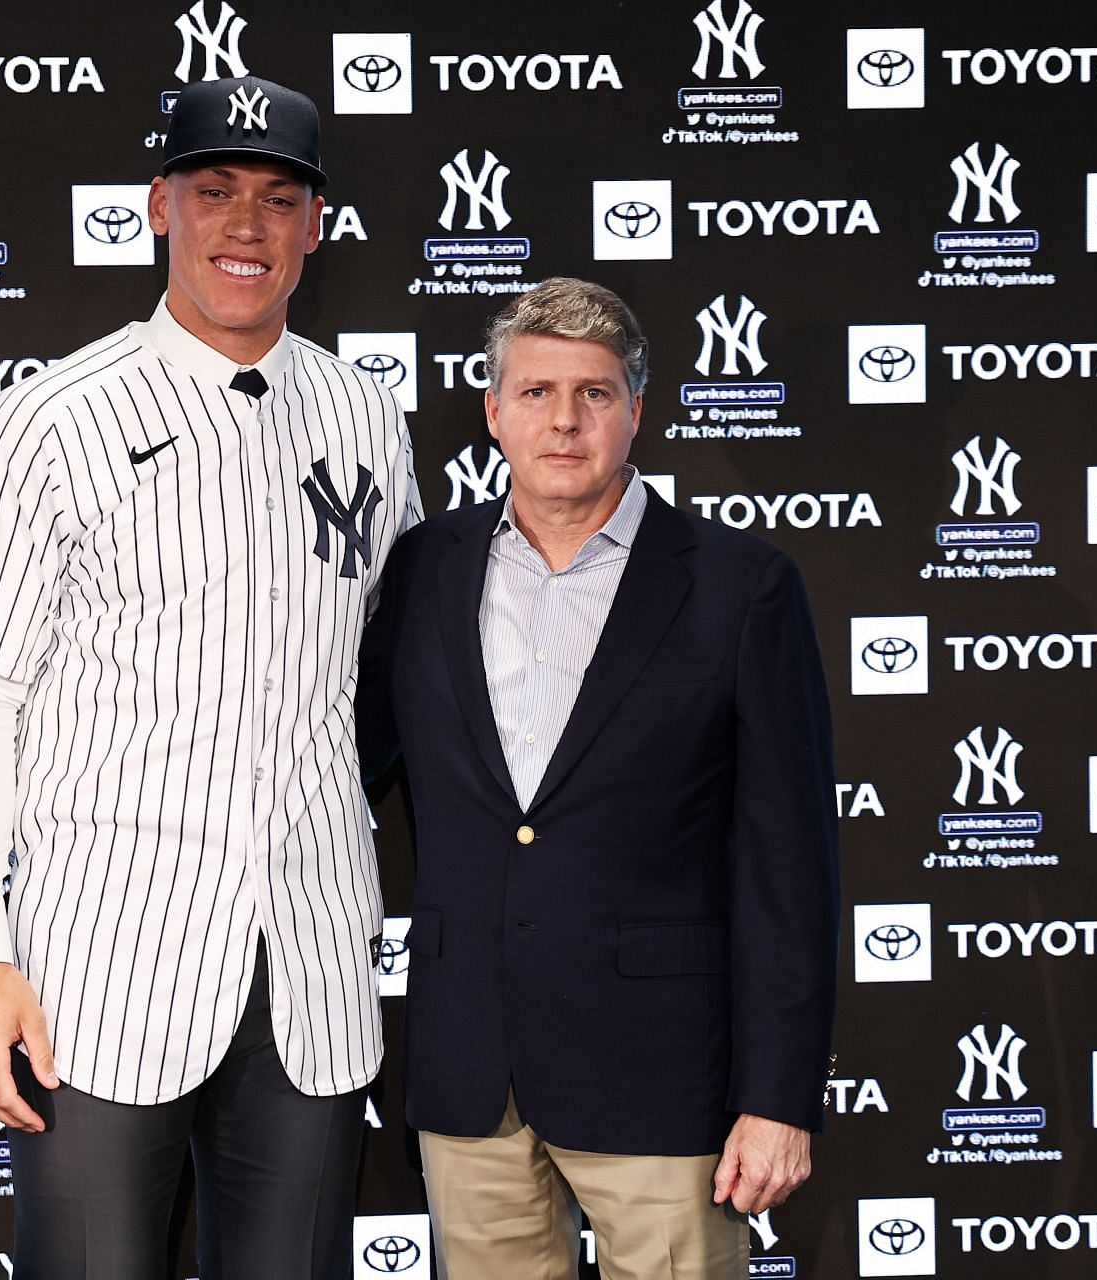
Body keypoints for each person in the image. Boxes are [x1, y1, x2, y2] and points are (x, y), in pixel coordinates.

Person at [0, 75, 420, 1279]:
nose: (245, 225)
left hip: (309, 961)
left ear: (316, 224)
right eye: (214, 191)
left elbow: (392, 675)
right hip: (99, 964)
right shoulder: (53, 417)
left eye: (277, 197)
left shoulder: (366, 417)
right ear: (158, 206)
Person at [359, 277, 838, 1280]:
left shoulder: (743, 585)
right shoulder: (421, 570)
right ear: (493, 410)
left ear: (637, 409)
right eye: (535, 392)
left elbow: (790, 865)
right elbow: (341, 766)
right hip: (470, 1072)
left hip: (662, 1076)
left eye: (595, 392)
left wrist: (780, 1094)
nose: (564, 420)